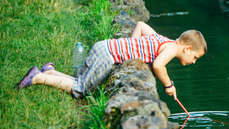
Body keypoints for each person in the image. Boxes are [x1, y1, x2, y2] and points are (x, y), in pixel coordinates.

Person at [16, 21, 207, 99]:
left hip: (105, 47)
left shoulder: (162, 39)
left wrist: (132, 50)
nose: (194, 61)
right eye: (195, 57)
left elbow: (140, 25)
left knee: (81, 81)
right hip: (107, 55)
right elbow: (158, 65)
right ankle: (37, 78)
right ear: (187, 48)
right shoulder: (172, 48)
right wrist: (168, 85)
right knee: (80, 89)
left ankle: (49, 71)